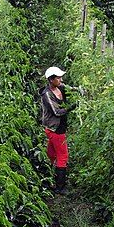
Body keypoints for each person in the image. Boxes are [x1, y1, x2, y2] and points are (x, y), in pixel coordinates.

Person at [40, 66, 77, 194]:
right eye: (58, 77)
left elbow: (71, 89)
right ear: (51, 80)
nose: (60, 79)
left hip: (59, 126)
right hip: (54, 128)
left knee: (51, 154)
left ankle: (46, 176)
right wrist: (70, 108)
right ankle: (60, 187)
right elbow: (56, 112)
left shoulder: (60, 87)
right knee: (63, 156)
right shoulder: (47, 94)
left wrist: (79, 91)